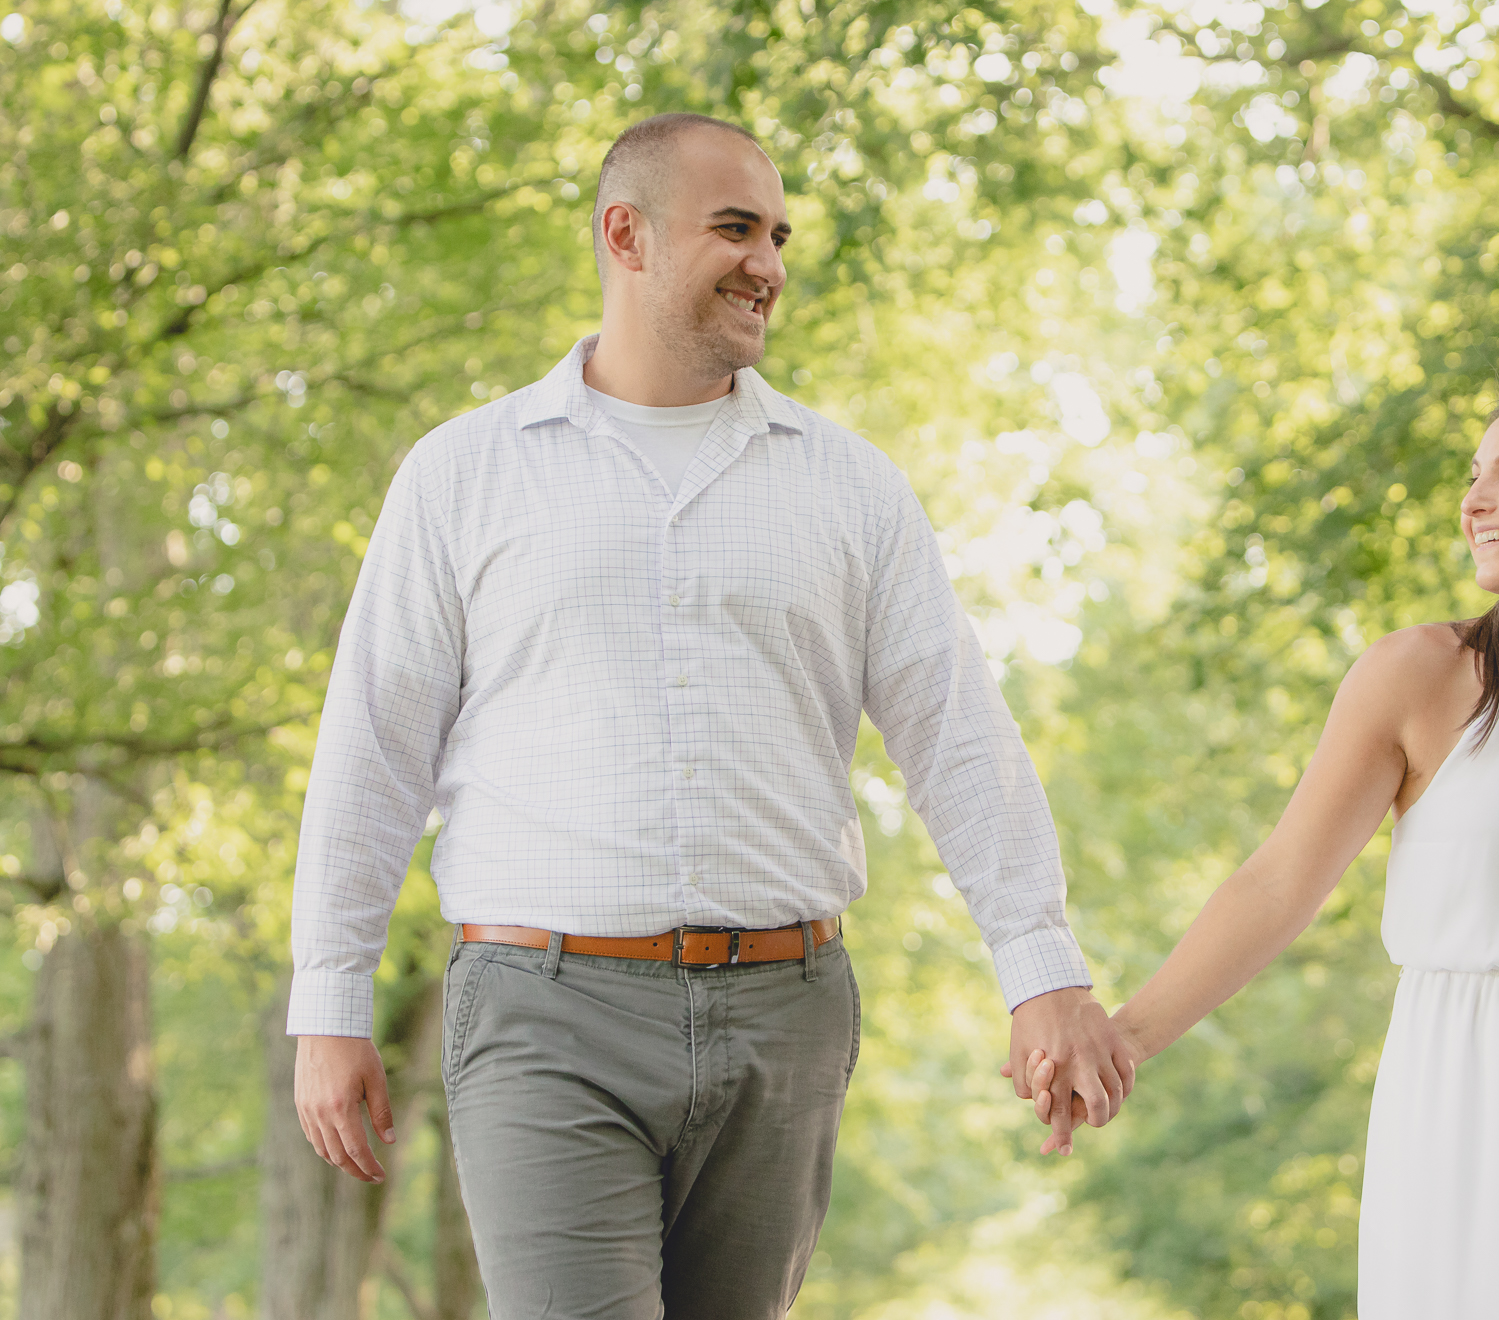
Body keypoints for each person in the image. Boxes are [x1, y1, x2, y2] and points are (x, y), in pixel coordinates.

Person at [287, 112, 1134, 1319]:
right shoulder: (465, 474)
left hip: (786, 1018)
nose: (770, 262)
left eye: (780, 234)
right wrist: (330, 998)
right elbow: (371, 744)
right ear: (624, 235)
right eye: (735, 227)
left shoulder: (849, 486)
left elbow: (954, 732)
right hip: (544, 1014)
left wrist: (1040, 965)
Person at [1029, 379, 1499, 1317]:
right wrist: (1126, 1040)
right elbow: (1279, 884)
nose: (1475, 502)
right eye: (1475, 476)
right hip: (1462, 1101)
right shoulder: (1419, 676)